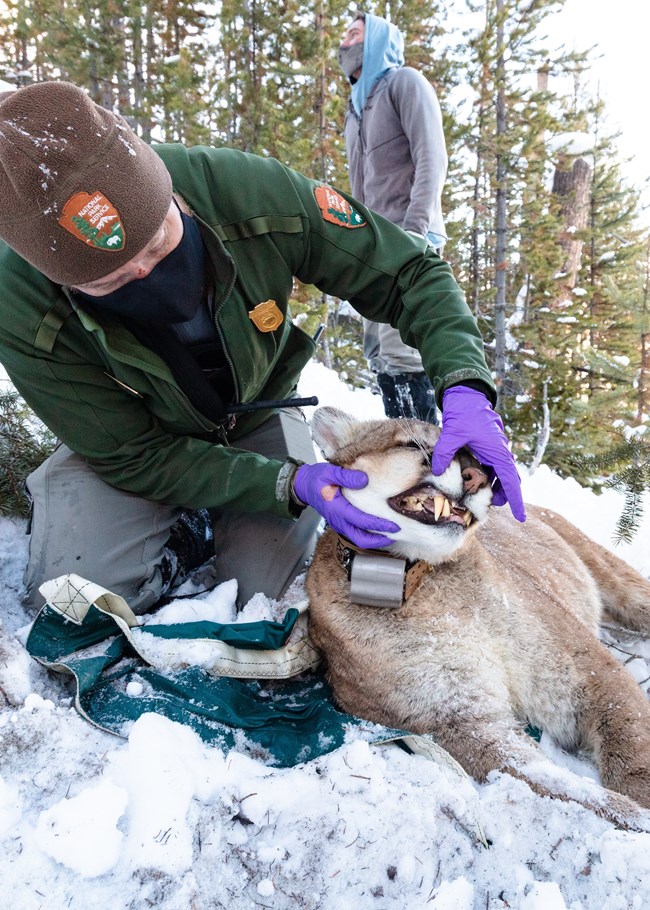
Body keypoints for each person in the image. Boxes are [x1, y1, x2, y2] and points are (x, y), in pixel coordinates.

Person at [0, 81, 525, 617]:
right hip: (144, 440)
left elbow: (406, 273)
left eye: (160, 240)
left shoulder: (250, 194)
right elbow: (132, 453)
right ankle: (180, 535)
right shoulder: (17, 303)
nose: (146, 274)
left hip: (256, 416)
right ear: (56, 278)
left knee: (267, 598)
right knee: (73, 604)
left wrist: (465, 387)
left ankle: (217, 523)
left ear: (166, 187)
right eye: (113, 281)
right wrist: (284, 484)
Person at [338, 11, 447, 425]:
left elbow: (431, 158)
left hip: (410, 241)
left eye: (353, 35)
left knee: (404, 352)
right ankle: (403, 459)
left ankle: (428, 463)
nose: (344, 45)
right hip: (374, 248)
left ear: (376, 41)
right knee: (381, 355)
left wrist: (416, 232)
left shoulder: (405, 83)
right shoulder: (357, 109)